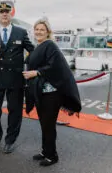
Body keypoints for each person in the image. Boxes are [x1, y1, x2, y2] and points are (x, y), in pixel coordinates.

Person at [23, 18, 82, 166]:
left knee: (48, 125)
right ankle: (45, 151)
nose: (39, 32)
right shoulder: (40, 46)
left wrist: (36, 73)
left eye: (42, 29)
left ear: (48, 32)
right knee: (44, 124)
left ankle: (52, 156)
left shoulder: (50, 45)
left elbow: (55, 66)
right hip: (42, 93)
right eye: (36, 29)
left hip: (51, 93)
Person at [0, 0, 34, 154]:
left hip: (15, 77)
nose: (4, 14)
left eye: (7, 11)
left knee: (15, 110)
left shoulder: (21, 32)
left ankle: (10, 140)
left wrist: (28, 66)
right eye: (1, 12)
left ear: (11, 14)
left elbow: (32, 51)